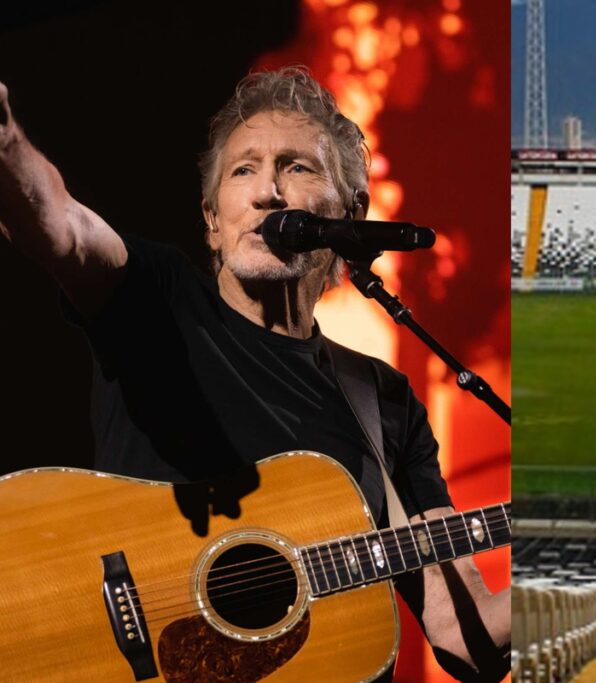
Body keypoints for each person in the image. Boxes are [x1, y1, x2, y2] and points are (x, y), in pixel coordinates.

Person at [0, 67, 509, 682]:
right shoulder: (160, 301)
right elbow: (63, 228)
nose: (269, 190)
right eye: (243, 170)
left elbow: (463, 633)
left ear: (351, 212)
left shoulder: (382, 401)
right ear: (213, 220)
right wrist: (5, 144)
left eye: (298, 167)